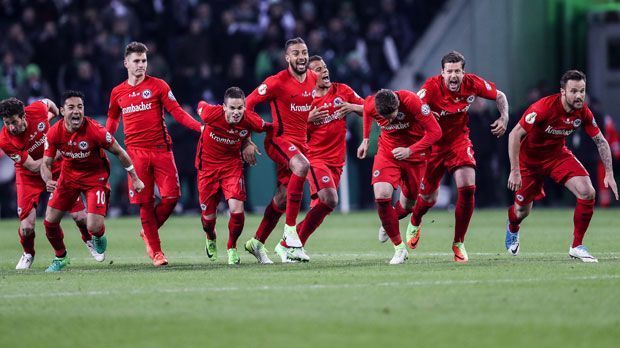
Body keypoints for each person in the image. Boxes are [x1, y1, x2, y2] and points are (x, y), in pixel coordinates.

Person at [400, 51, 509, 263]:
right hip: (433, 144)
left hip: (459, 141)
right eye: (449, 71)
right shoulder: (430, 88)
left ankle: (458, 243)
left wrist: (504, 117)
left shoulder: (472, 84)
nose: (453, 75)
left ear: (463, 72)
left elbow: (500, 96)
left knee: (468, 189)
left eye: (457, 71)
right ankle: (415, 220)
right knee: (428, 198)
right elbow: (412, 106)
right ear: (442, 73)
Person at [505, 70, 618, 262]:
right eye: (574, 91)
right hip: (529, 162)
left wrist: (609, 173)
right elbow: (514, 135)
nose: (579, 95)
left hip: (557, 156)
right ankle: (513, 227)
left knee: (587, 192)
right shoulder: (542, 108)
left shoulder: (583, 111)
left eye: (582, 91)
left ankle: (577, 246)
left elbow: (600, 140)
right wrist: (515, 171)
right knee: (521, 211)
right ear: (563, 92)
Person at [106, 42, 202, 266]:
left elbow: (177, 112)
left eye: (144, 61)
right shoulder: (117, 92)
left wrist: (201, 128)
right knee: (145, 202)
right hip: (135, 154)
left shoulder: (158, 86)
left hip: (161, 150)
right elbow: (112, 119)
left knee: (172, 198)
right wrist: (106, 140)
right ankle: (157, 252)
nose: (141, 65)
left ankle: (147, 233)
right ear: (126, 63)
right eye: (137, 61)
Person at [41, 90, 144, 272]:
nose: (76, 111)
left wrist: (134, 178)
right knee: (49, 222)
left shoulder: (96, 130)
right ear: (62, 111)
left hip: (95, 178)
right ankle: (61, 257)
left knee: (93, 226)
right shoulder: (54, 132)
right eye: (71, 107)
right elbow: (46, 163)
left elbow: (120, 152)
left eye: (80, 107)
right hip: (68, 178)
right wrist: (48, 180)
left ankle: (98, 235)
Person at [0, 97, 103, 270]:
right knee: (27, 228)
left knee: (80, 217)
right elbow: (33, 166)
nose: (11, 127)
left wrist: (52, 117)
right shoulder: (5, 140)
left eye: (14, 122)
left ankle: (88, 239)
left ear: (24, 116)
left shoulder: (38, 110)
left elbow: (48, 103)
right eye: (6, 123)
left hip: (57, 170)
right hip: (28, 176)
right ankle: (28, 253)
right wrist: (58, 153)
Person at [243, 37, 318, 263]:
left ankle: (257, 242)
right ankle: (290, 233)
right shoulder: (276, 82)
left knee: (283, 197)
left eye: (304, 52)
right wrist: (246, 139)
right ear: (287, 58)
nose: (301, 57)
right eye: (295, 53)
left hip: (301, 144)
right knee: (302, 165)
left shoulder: (313, 78)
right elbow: (247, 103)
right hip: (278, 139)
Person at [357, 88, 441, 264]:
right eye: (384, 117)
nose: (388, 121)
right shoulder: (373, 103)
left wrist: (410, 150)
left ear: (397, 104)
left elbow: (436, 132)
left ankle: (389, 221)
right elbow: (365, 109)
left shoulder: (412, 102)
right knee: (381, 196)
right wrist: (365, 139)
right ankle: (399, 248)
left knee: (408, 204)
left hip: (415, 157)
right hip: (387, 153)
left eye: (392, 115)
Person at [295, 55, 364, 256]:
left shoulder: (342, 90)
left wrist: (352, 107)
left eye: (324, 67)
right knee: (331, 199)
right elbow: (289, 130)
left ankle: (289, 241)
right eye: (317, 69)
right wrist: (307, 119)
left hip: (337, 162)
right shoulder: (304, 100)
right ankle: (294, 244)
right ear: (309, 75)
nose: (324, 71)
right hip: (315, 159)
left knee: (323, 206)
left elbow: (368, 107)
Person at [195, 87, 270, 264]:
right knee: (208, 218)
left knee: (237, 211)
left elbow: (268, 127)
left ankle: (232, 247)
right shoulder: (210, 114)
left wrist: (248, 141)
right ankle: (210, 237)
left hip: (231, 167)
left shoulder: (251, 120)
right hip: (207, 168)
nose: (236, 113)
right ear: (224, 107)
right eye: (232, 108)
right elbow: (200, 105)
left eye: (240, 108)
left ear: (245, 107)